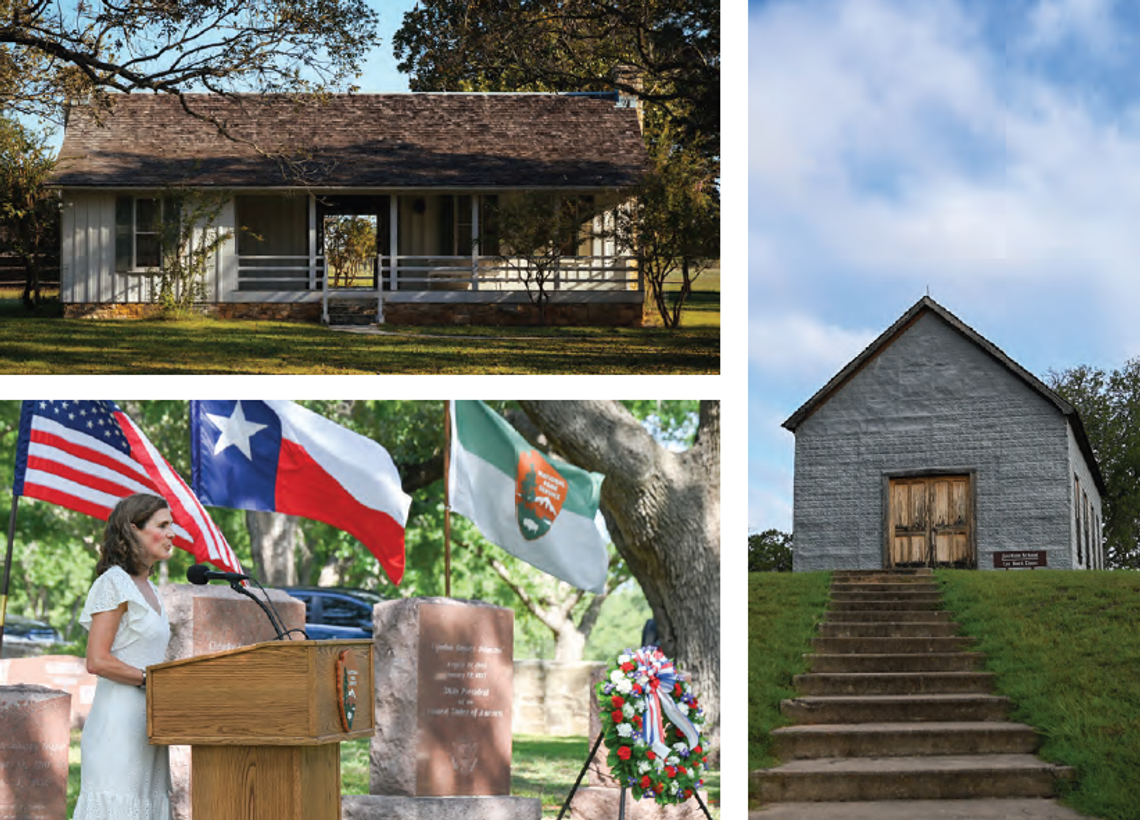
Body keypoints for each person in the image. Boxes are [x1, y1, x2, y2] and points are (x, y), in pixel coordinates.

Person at [74, 492, 174, 820]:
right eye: (163, 525)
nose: (173, 533)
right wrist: (152, 680)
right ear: (134, 530)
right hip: (118, 726)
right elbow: (97, 660)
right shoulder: (114, 583)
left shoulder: (151, 589)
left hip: (149, 724)